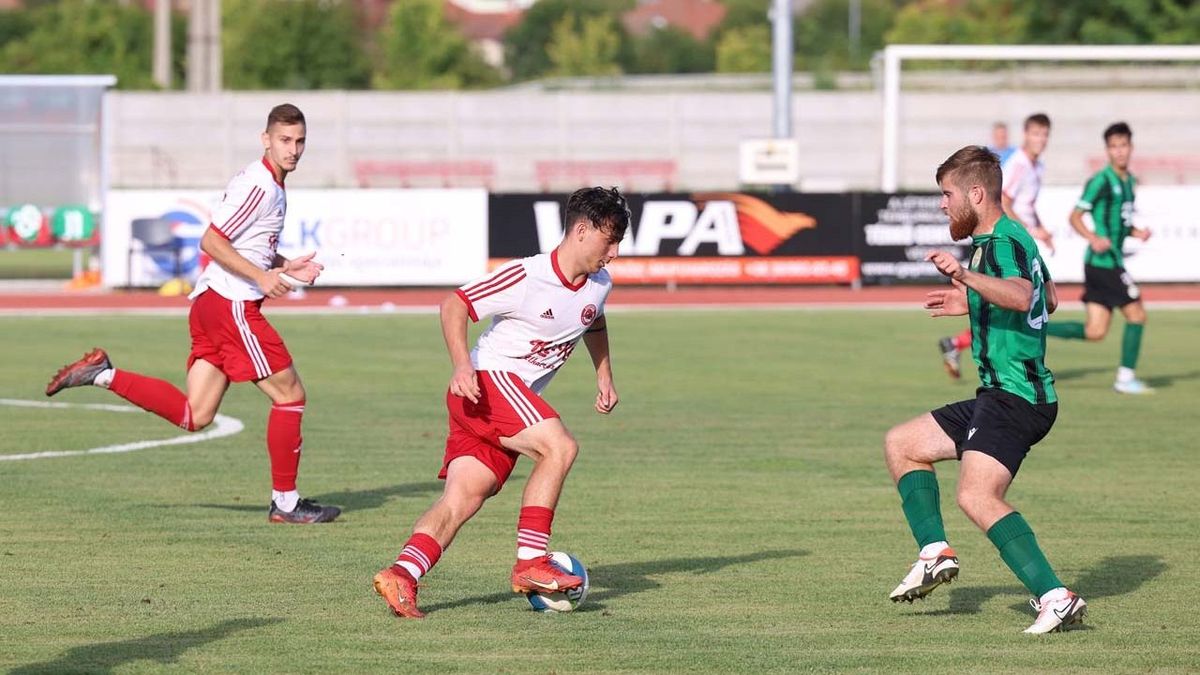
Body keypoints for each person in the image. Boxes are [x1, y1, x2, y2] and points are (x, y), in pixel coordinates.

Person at [45, 103, 340, 525]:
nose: (293, 149)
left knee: (195, 415)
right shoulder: (261, 185)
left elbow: (245, 241)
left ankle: (102, 373)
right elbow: (212, 241)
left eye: (299, 141)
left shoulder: (268, 183)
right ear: (266, 139)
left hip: (209, 305)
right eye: (284, 140)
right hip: (231, 306)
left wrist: (283, 264)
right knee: (290, 395)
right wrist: (261, 277)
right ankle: (286, 504)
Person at [372, 186, 629, 619]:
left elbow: (593, 319)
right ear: (582, 231)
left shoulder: (599, 284)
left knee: (461, 499)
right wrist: (460, 365)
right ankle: (531, 561)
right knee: (560, 447)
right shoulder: (527, 276)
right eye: (611, 240)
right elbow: (455, 303)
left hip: (495, 408)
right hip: (488, 384)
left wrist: (603, 373)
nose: (616, 252)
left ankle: (402, 574)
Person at [886, 145, 1086, 634]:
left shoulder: (996, 245)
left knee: (977, 497)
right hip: (998, 393)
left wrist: (966, 278)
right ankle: (934, 553)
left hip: (1018, 397)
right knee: (903, 444)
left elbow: (1022, 295)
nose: (942, 204)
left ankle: (1055, 596)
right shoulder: (1012, 237)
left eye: (947, 194)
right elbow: (1050, 298)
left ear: (976, 193)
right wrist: (971, 301)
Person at [939, 113, 1055, 379]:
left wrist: (1030, 230)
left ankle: (956, 344)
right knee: (1014, 298)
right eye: (1036, 134)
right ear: (1025, 135)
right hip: (1016, 236)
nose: (1041, 140)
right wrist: (1025, 232)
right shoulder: (1019, 164)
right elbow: (1003, 199)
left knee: (1016, 298)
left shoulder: (1037, 167)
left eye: (1045, 135)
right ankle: (957, 343)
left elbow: (1016, 206)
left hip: (1014, 237)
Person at [1044, 122, 1152, 394]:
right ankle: (1125, 379)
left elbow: (1119, 222)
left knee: (1095, 331)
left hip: (1104, 263)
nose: (1119, 152)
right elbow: (1074, 216)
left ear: (1131, 147)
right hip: (1104, 264)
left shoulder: (1128, 181)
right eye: (1114, 147)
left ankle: (1029, 328)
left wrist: (1136, 231)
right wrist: (1093, 238)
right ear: (1107, 150)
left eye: (1123, 145)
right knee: (1137, 315)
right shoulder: (1102, 180)